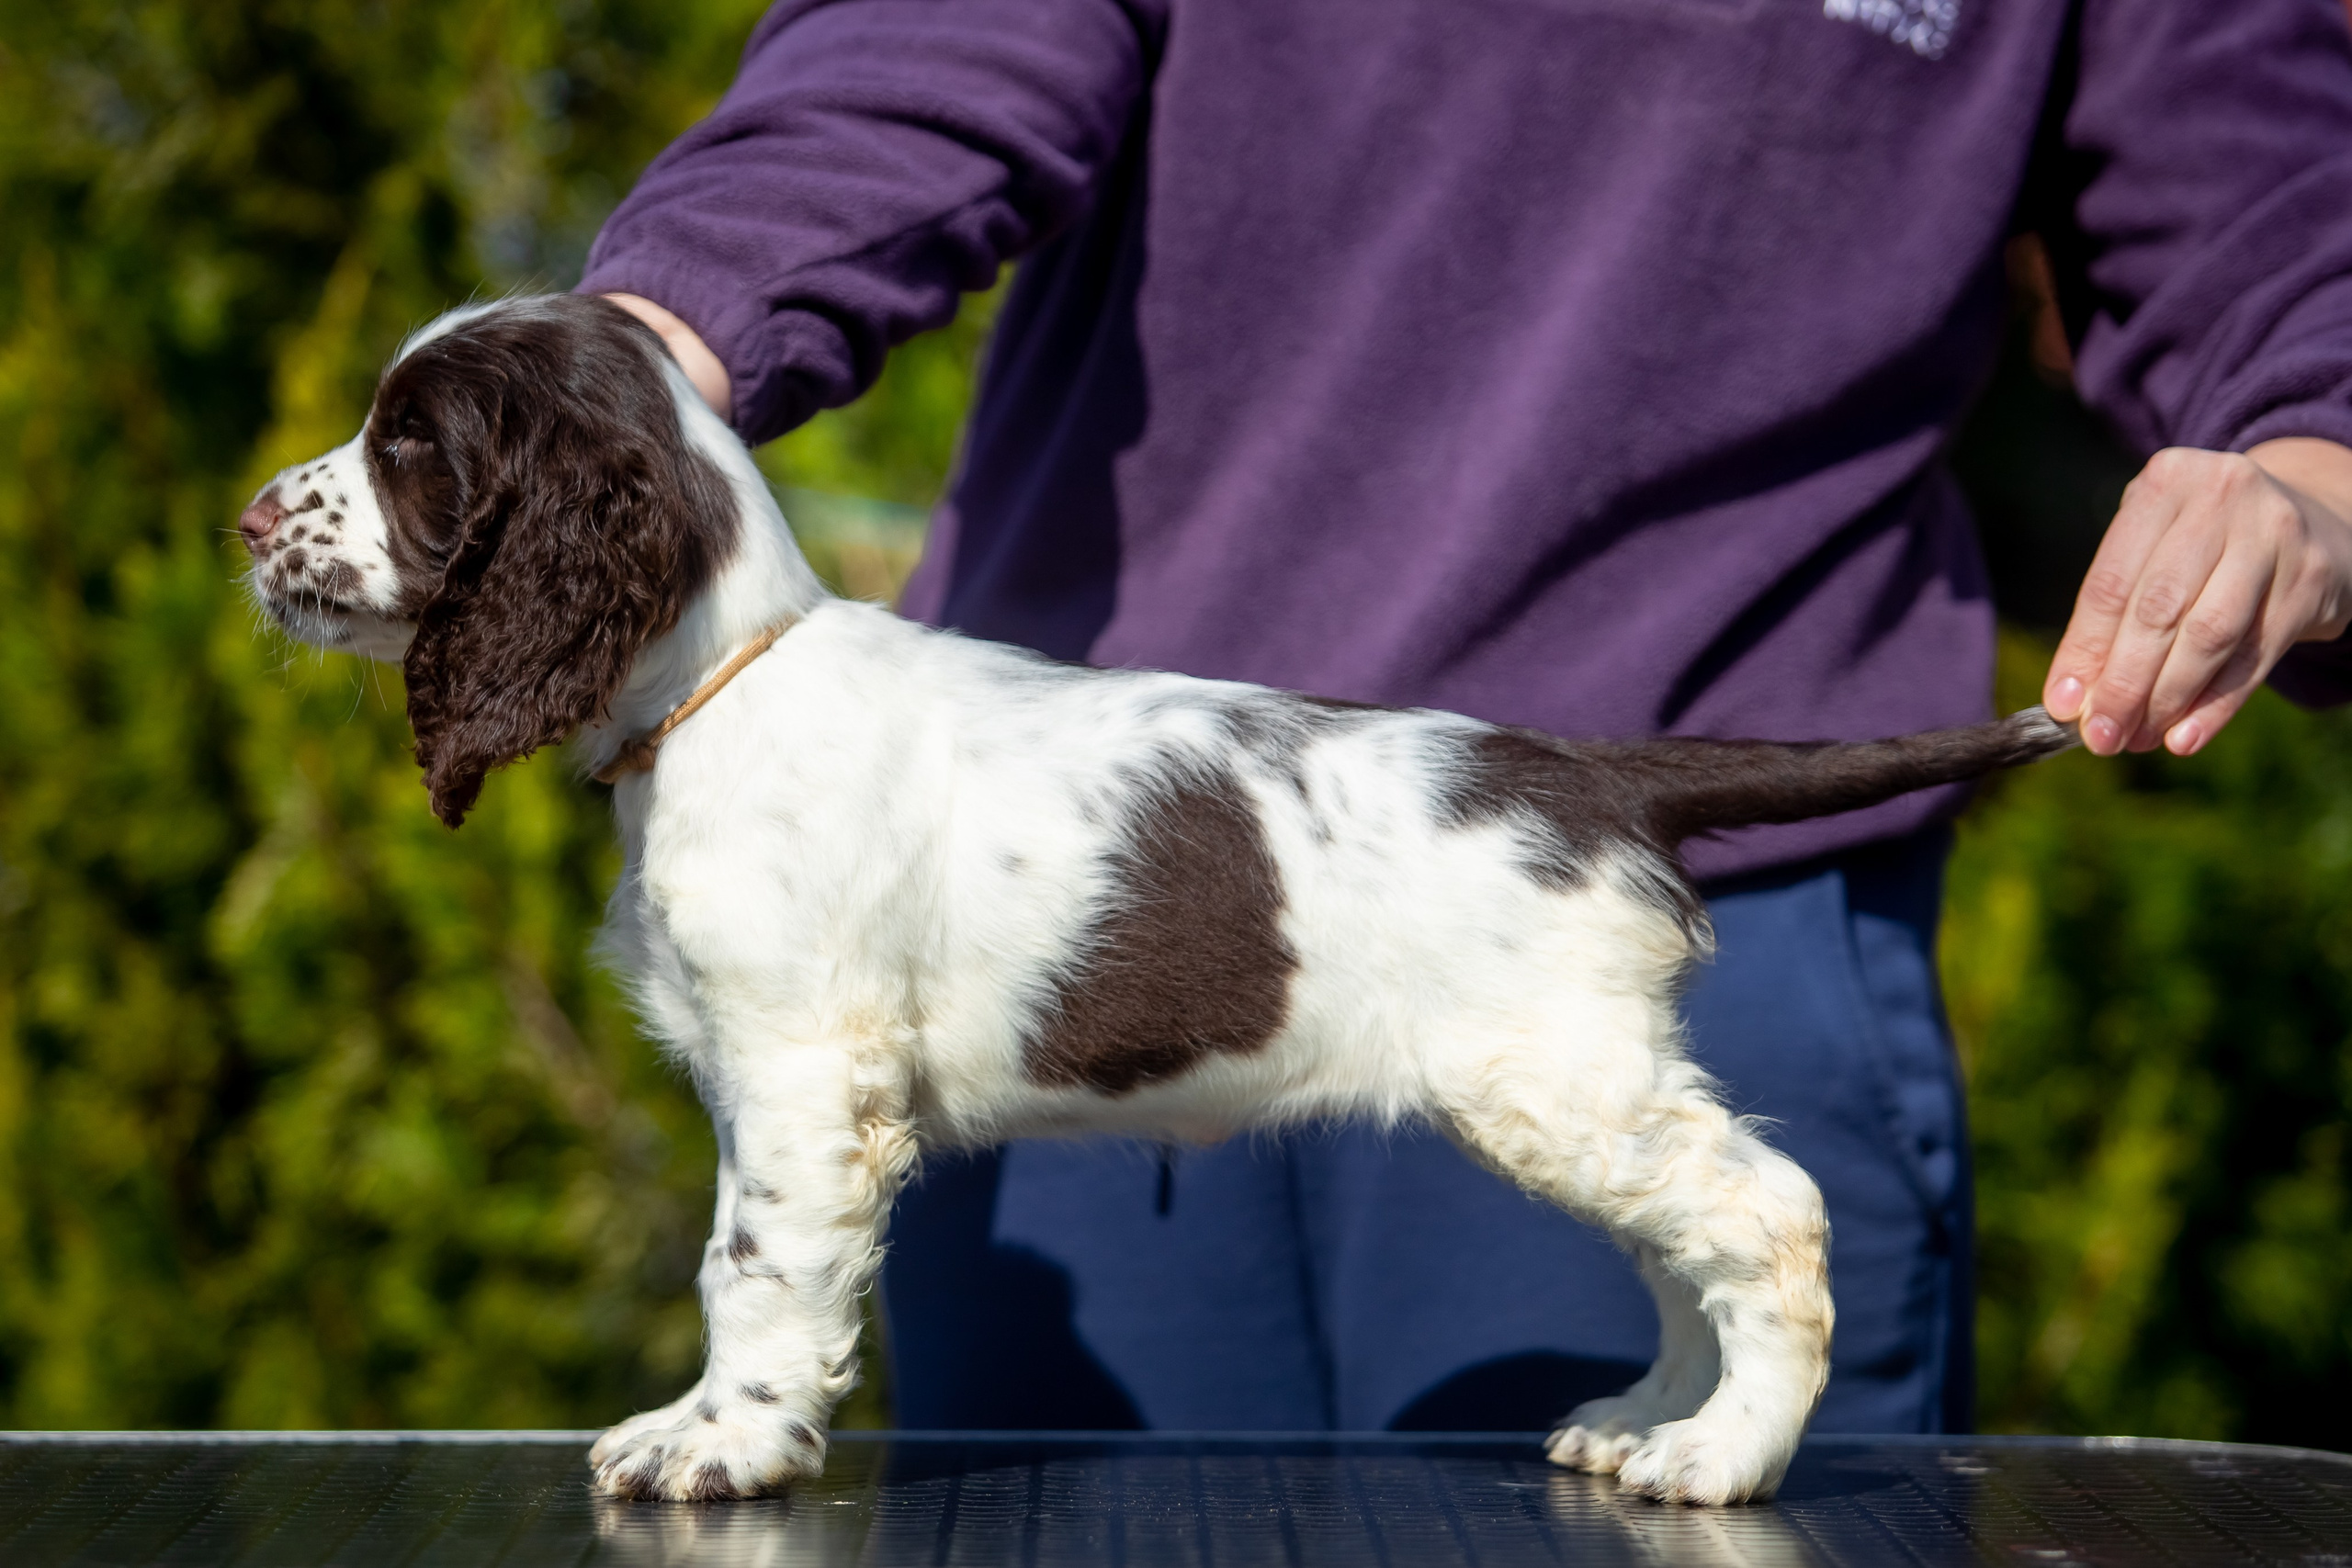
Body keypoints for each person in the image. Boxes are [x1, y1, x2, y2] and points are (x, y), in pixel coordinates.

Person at [577, 0, 2352, 1435]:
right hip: (1043, 892)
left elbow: (2277, 206)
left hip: (1669, 863)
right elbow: (916, 53)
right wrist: (630, 365)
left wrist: (2319, 465)